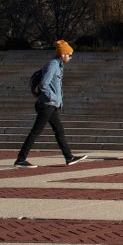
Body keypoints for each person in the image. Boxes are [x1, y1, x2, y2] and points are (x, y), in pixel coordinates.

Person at [15, 40, 87, 168]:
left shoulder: (58, 65)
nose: (71, 57)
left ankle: (68, 157)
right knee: (36, 131)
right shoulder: (53, 64)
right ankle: (21, 159)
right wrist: (52, 97)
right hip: (47, 104)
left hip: (52, 105)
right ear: (63, 54)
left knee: (59, 130)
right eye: (70, 55)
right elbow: (44, 84)